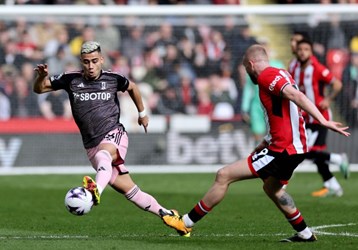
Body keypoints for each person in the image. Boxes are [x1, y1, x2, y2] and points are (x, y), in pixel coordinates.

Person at [159, 44, 350, 242]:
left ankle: (185, 223)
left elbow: (297, 96)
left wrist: (323, 120)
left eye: (245, 68)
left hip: (283, 149)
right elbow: (282, 115)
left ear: (251, 64)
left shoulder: (266, 76)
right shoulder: (281, 73)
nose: (246, 72)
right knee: (272, 188)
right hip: (292, 146)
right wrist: (266, 141)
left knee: (224, 175)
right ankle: (305, 233)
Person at [33, 41, 174, 221]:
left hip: (114, 134)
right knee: (130, 190)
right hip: (91, 145)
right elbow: (39, 89)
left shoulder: (113, 78)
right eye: (86, 62)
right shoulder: (70, 79)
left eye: (94, 61)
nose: (90, 66)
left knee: (104, 155)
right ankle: (168, 215)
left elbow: (133, 87)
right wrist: (41, 76)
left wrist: (142, 113)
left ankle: (94, 193)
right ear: (81, 62)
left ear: (101, 60)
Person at [291, 39, 350, 197]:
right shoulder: (293, 67)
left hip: (319, 117)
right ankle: (334, 186)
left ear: (311, 52)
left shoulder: (317, 68)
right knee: (314, 156)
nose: (302, 52)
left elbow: (337, 84)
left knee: (304, 151)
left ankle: (337, 158)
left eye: (306, 49)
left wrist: (328, 99)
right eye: (300, 49)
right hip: (304, 117)